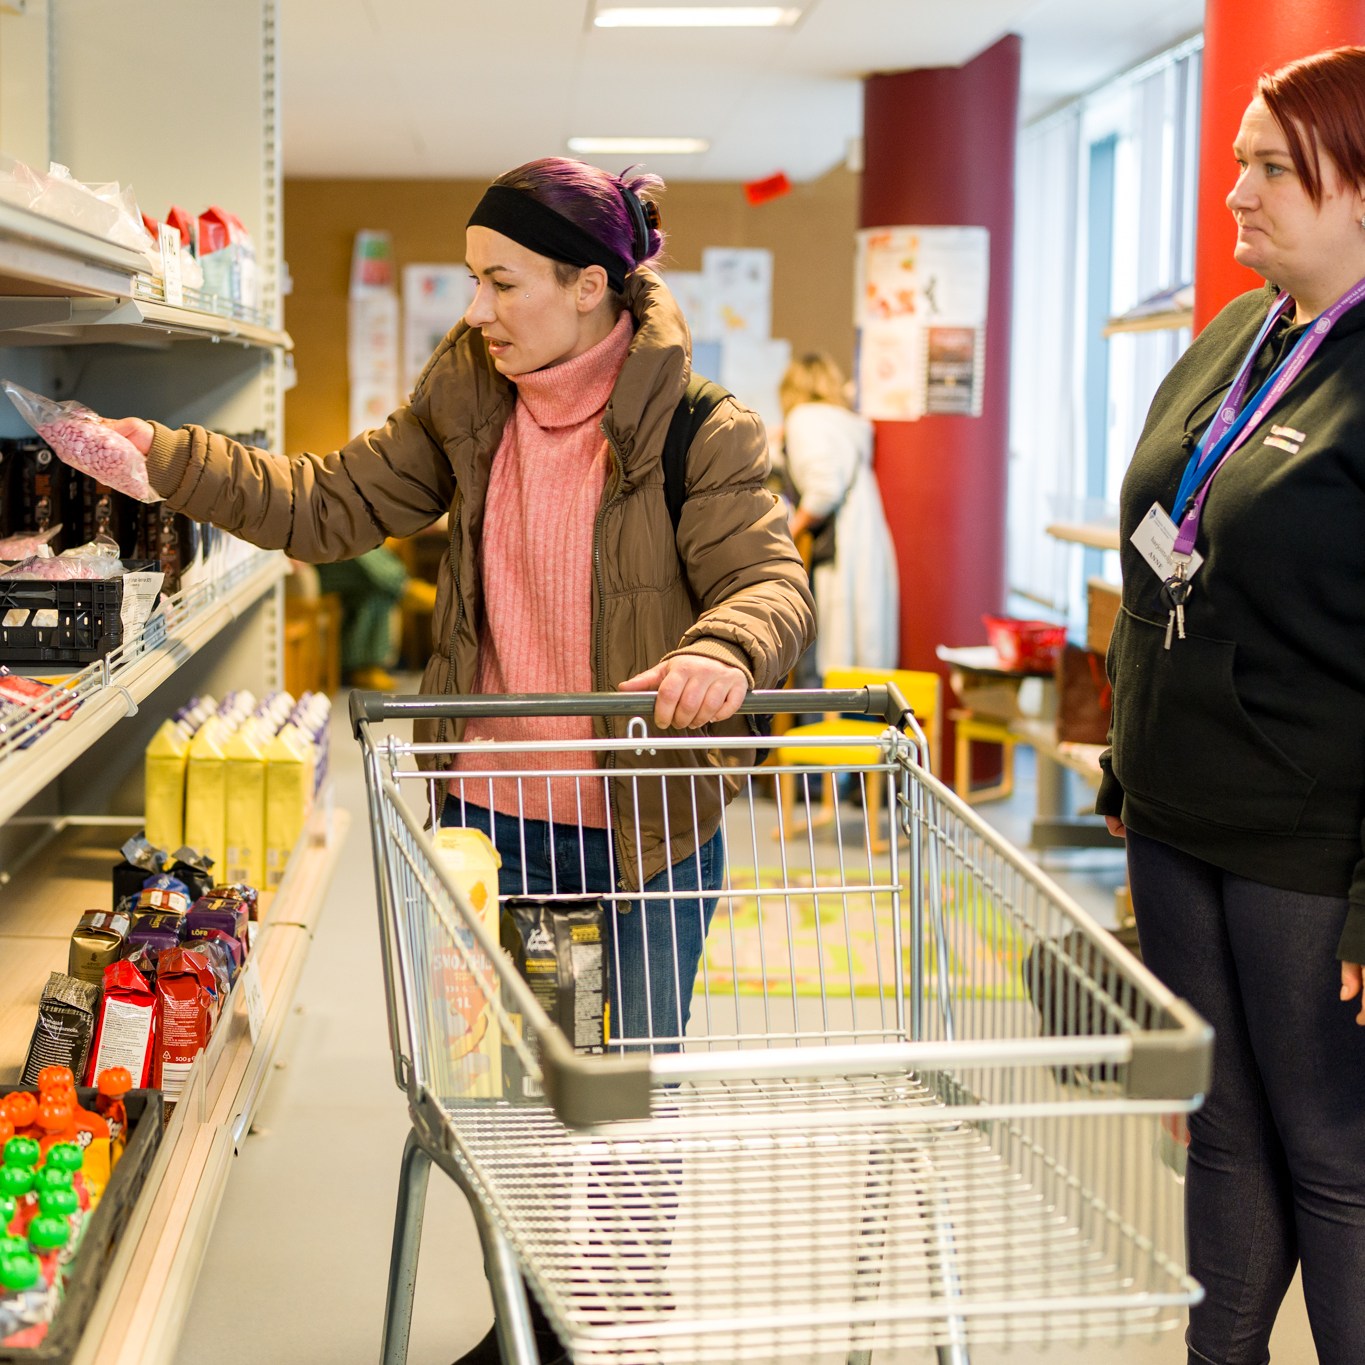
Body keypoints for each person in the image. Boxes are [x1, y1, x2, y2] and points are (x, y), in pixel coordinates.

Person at [102, 156, 814, 1364]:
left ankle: (612, 1334)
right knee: (514, 1107)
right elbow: (325, 504)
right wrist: (166, 459)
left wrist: (724, 649)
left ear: (589, 286)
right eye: (473, 280)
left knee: (624, 1096)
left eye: (502, 282)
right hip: (493, 830)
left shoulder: (702, 428)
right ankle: (533, 1325)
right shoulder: (468, 402)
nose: (476, 307)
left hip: (642, 836)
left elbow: (769, 581)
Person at [1097, 47, 1365, 1365]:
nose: (1235, 193)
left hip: (1308, 840)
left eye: (1272, 169)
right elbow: (1157, 548)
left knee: (1332, 1154)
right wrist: (1124, 763)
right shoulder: (1234, 335)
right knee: (1220, 1133)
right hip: (1177, 810)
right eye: (1239, 163)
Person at [778, 352, 898, 674]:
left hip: (839, 548)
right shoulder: (847, 422)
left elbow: (824, 490)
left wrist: (785, 535)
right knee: (858, 649)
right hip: (864, 536)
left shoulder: (803, 419)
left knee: (823, 658)